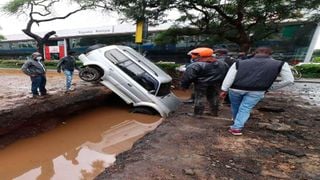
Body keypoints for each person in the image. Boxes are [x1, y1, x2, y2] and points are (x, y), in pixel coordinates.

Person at [220, 47, 294, 136]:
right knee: (245, 108)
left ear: (254, 53)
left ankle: (236, 123)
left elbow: (229, 77)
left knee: (235, 106)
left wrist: (224, 89)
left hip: (236, 89)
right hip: (257, 90)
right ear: (271, 54)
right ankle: (237, 128)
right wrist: (271, 87)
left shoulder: (239, 63)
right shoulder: (281, 64)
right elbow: (289, 80)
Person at [181, 47, 229, 117]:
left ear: (200, 56)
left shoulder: (195, 65)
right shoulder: (223, 64)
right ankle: (214, 112)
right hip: (216, 83)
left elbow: (188, 77)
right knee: (214, 97)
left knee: (200, 98)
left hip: (201, 84)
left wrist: (184, 86)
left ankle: (198, 114)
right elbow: (226, 74)